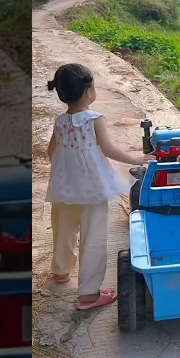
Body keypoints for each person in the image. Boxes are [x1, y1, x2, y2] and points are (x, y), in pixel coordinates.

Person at [44, 63, 150, 311]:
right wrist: (136, 159)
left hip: (63, 189)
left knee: (64, 230)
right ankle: (89, 294)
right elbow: (109, 149)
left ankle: (61, 271)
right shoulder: (95, 119)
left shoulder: (60, 122)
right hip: (92, 191)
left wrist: (66, 168)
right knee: (93, 238)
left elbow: (51, 152)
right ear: (88, 92)